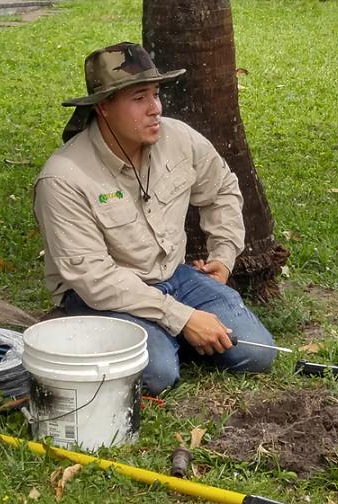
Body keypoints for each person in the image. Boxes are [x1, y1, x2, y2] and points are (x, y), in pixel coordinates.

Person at [33, 42, 277, 394]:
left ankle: (168, 338)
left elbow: (222, 188)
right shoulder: (63, 178)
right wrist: (184, 318)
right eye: (139, 99)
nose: (155, 109)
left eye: (156, 94)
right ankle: (154, 339)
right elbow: (94, 279)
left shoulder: (178, 139)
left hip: (175, 278)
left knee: (257, 353)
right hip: (100, 296)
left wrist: (223, 259)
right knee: (158, 374)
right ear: (103, 107)